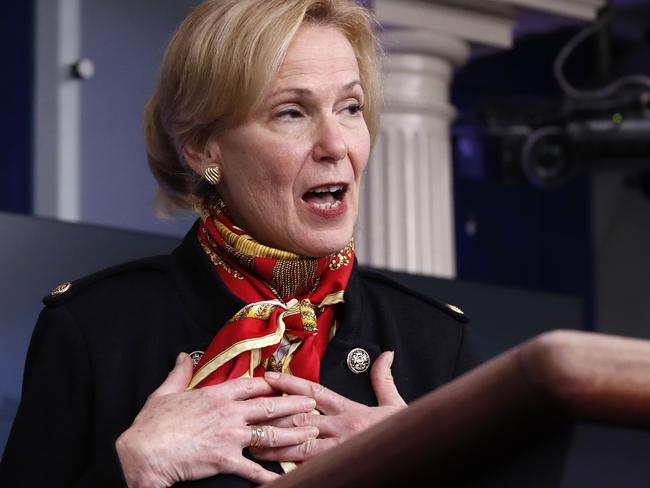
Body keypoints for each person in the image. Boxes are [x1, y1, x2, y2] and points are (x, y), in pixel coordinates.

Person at [0, 0, 478, 486]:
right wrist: (134, 468)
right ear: (204, 148)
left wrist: (422, 466)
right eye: (292, 112)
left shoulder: (435, 342)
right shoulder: (94, 330)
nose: (336, 145)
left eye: (350, 108)